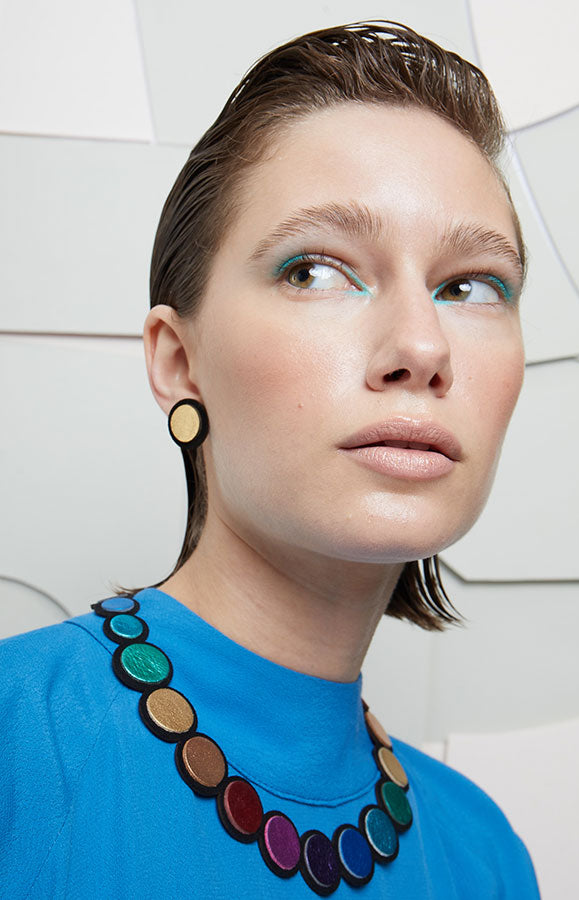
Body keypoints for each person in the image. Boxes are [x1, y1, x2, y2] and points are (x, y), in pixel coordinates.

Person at [0, 21, 539, 898]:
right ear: (179, 362)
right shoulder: (19, 747)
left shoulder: (486, 857)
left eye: (471, 284)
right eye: (315, 270)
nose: (420, 344)